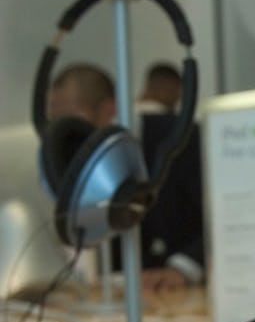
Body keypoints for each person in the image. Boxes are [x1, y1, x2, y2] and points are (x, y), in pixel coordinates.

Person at [48, 63, 204, 291]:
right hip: (119, 294)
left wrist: (183, 268)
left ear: (109, 109)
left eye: (73, 122)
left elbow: (223, 215)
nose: (68, 137)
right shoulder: (77, 162)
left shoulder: (180, 139)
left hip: (186, 292)